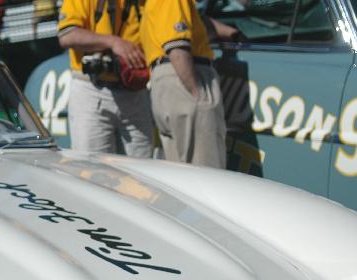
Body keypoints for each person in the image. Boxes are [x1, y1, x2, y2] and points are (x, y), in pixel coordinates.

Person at [140, 0, 236, 167]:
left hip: (168, 80)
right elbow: (176, 47)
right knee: (206, 172)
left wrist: (233, 33)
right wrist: (196, 94)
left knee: (182, 174)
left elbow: (192, 25)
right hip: (184, 76)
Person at [58, 0, 155, 157]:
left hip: (135, 91)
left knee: (144, 168)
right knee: (92, 169)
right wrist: (113, 42)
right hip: (92, 90)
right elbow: (67, 35)